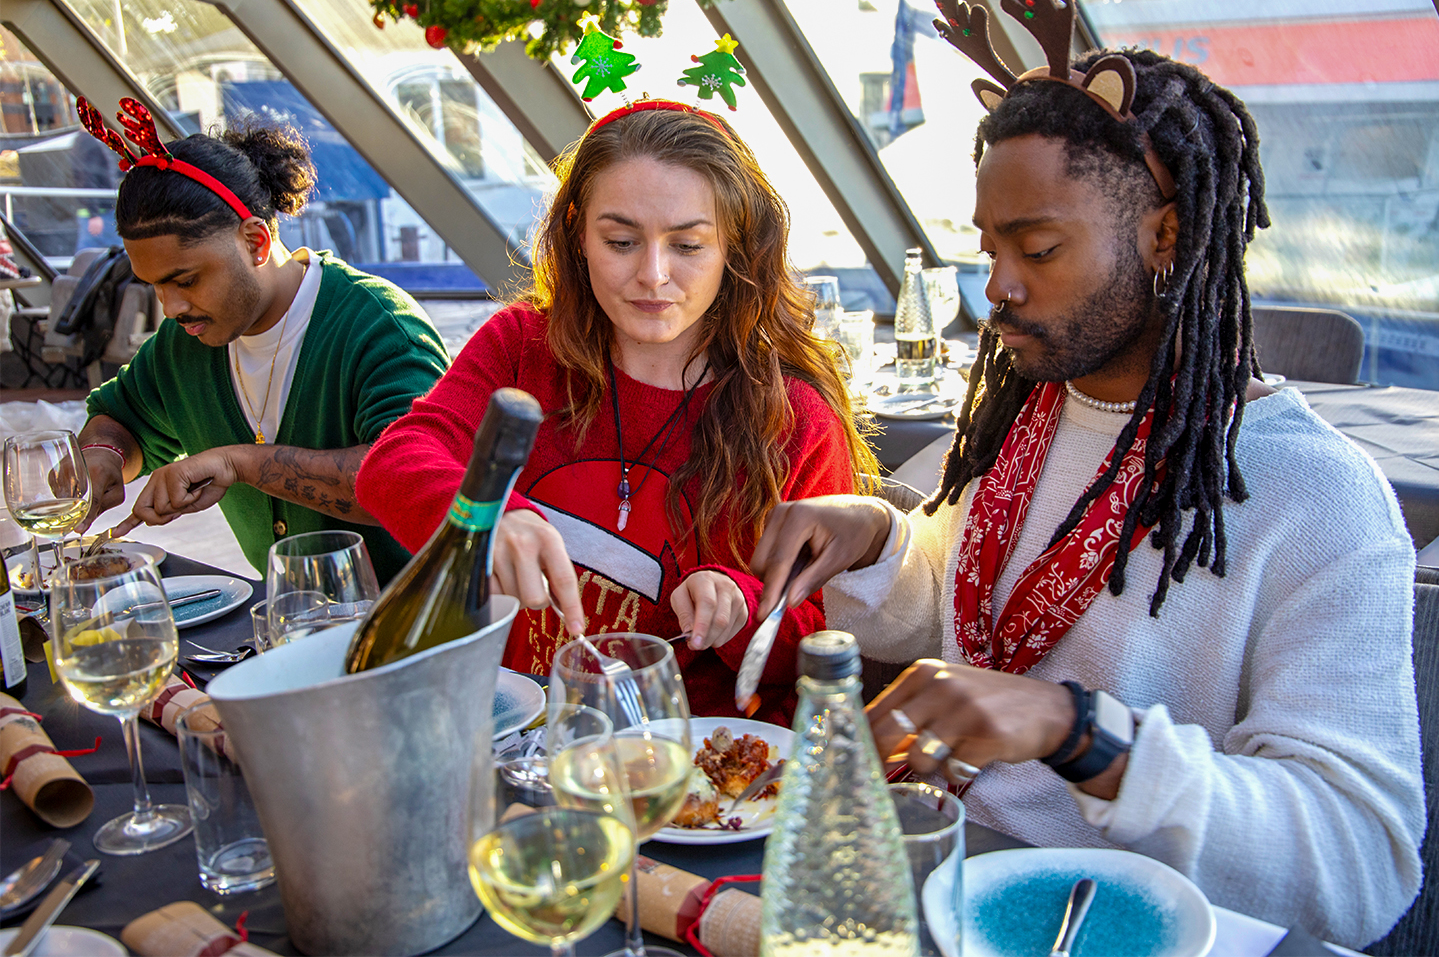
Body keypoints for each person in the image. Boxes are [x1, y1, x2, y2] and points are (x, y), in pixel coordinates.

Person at [748, 0, 1424, 947]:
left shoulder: (1316, 499)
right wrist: (874, 541)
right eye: (988, 250)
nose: (997, 291)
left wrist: (1081, 736)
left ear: (1167, 233)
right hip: (952, 890)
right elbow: (975, 607)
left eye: (1039, 249)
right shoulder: (1030, 417)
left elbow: (1360, 867)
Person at [356, 101, 874, 722]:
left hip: (700, 773)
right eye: (621, 242)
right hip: (525, 730)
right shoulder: (523, 347)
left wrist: (742, 602)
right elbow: (394, 462)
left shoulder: (793, 416)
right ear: (576, 234)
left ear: (737, 246)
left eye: (687, 244)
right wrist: (488, 519)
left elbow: (819, 646)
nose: (653, 275)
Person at [74, 98, 449, 581]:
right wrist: (102, 458)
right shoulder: (183, 342)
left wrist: (241, 463)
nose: (170, 308)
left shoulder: (379, 326)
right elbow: (121, 420)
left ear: (255, 241)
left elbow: (405, 481)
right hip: (294, 620)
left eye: (185, 280)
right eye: (155, 286)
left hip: (420, 624)